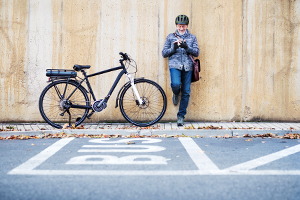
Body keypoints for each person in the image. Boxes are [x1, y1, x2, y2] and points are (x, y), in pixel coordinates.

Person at [162, 14, 200, 126]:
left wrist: (186, 47)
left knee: (186, 92)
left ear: (187, 26)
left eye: (183, 26)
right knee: (175, 84)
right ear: (176, 26)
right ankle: (175, 92)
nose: (181, 28)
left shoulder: (192, 38)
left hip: (188, 67)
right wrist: (174, 48)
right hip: (175, 65)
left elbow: (197, 52)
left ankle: (180, 116)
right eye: (179, 26)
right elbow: (164, 53)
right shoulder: (170, 37)